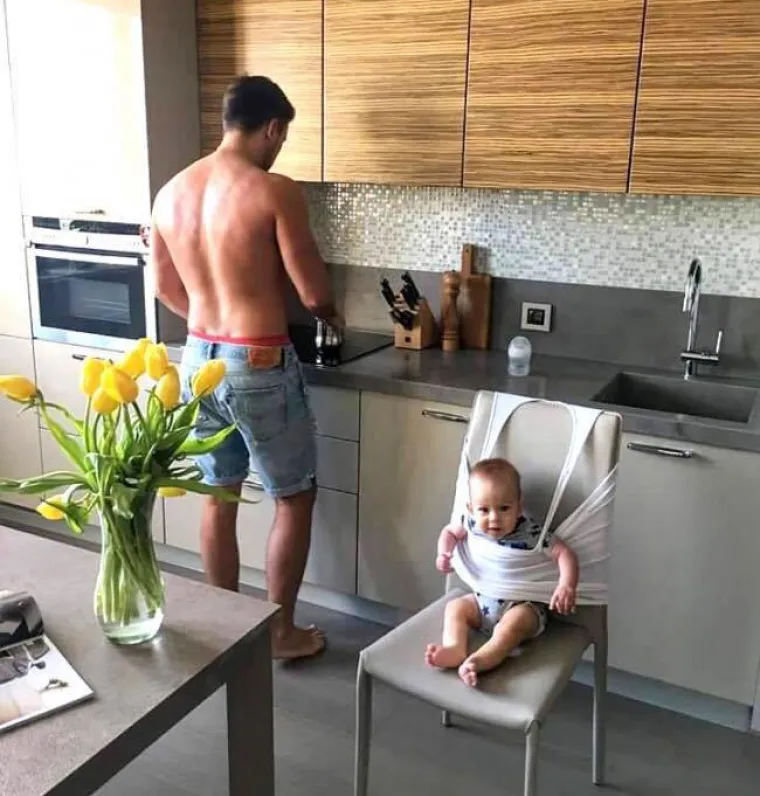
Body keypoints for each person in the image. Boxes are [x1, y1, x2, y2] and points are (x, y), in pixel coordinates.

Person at [148, 75, 342, 661]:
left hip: (198, 358)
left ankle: (229, 631)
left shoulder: (171, 192)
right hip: (258, 359)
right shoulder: (274, 189)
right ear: (273, 128)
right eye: (282, 137)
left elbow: (164, 288)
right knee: (293, 498)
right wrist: (331, 316)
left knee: (219, 494)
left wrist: (212, 325)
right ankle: (281, 634)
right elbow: (313, 293)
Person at [424, 458, 579, 686]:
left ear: (519, 506)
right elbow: (450, 533)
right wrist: (443, 553)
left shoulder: (531, 533)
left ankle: (482, 659)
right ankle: (455, 648)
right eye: (484, 510)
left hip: (521, 606)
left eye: (504, 508)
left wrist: (567, 585)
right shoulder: (471, 523)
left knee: (513, 625)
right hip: (481, 603)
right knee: (455, 607)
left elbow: (563, 553)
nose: (494, 518)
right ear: (471, 509)